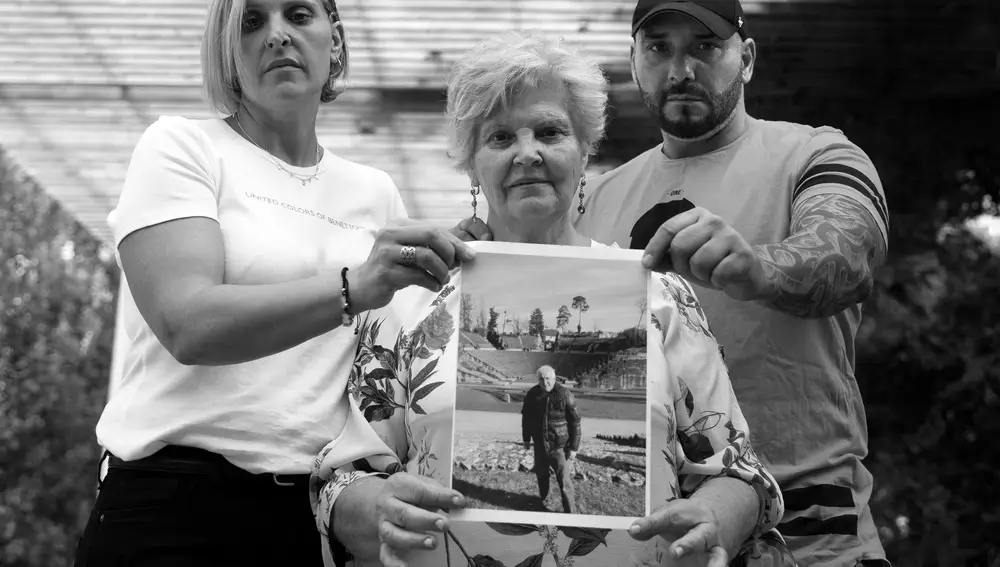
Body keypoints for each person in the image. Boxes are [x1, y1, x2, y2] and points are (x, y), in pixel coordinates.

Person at [313, 31, 794, 567]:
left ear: (585, 149)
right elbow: (344, 479)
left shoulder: (660, 295)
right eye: (499, 138)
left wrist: (714, 517)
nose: (527, 153)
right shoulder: (412, 297)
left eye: (550, 131)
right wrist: (374, 510)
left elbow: (738, 474)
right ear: (472, 166)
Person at [72, 1, 478, 566]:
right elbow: (187, 324)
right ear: (228, 51)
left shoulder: (374, 191)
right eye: (252, 21)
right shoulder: (184, 147)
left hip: (304, 520)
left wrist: (480, 267)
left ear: (334, 41)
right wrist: (353, 286)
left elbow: (389, 373)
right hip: (170, 504)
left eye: (298, 14)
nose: (277, 35)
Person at [573, 2, 890, 566]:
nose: (680, 69)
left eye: (704, 46)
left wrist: (759, 268)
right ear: (633, 60)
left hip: (810, 530)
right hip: (649, 537)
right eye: (659, 48)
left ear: (745, 59)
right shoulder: (594, 200)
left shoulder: (816, 153)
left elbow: (848, 253)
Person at [520, 365, 582, 513]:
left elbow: (575, 422)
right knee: (541, 476)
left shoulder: (565, 394)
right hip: (540, 445)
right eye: (541, 379)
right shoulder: (532, 394)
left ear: (554, 378)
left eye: (548, 379)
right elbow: (526, 418)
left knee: (564, 482)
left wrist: (574, 447)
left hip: (559, 447)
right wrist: (526, 438)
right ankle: (544, 503)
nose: (545, 382)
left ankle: (570, 513)